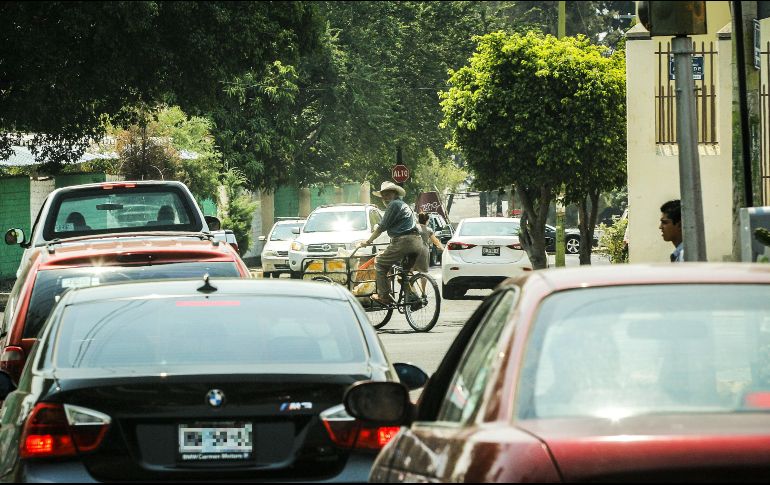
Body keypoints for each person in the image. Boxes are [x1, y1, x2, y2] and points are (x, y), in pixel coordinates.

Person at [357, 181, 422, 305]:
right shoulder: (404, 205)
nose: (385, 197)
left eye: (388, 194)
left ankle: (384, 296)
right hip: (416, 241)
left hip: (403, 242)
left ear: (395, 194)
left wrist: (368, 241)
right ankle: (415, 299)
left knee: (380, 262)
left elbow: (382, 227)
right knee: (403, 274)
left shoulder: (393, 205)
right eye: (383, 195)